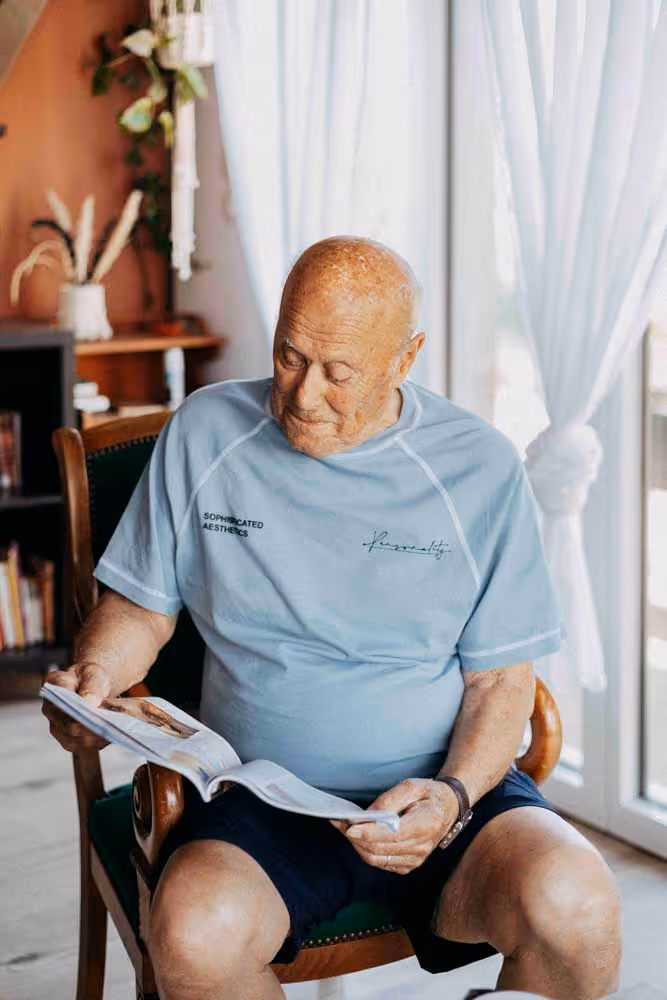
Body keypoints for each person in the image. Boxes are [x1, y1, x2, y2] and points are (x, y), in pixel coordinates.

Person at [44, 236, 622, 1000]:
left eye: (338, 372)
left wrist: (450, 795)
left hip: (438, 798)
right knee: (193, 934)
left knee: (579, 911)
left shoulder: (477, 468)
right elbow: (138, 610)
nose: (303, 395)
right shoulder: (207, 430)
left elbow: (500, 684)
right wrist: (98, 673)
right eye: (289, 356)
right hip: (259, 798)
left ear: (403, 359)